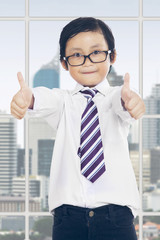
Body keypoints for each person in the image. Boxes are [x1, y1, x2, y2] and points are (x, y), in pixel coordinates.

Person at [10, 17, 145, 240]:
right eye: (76, 55)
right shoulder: (63, 102)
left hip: (116, 218)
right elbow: (43, 99)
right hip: (67, 219)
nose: (87, 61)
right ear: (64, 63)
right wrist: (28, 97)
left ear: (112, 56)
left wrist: (131, 102)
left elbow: (123, 104)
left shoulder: (117, 96)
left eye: (96, 52)